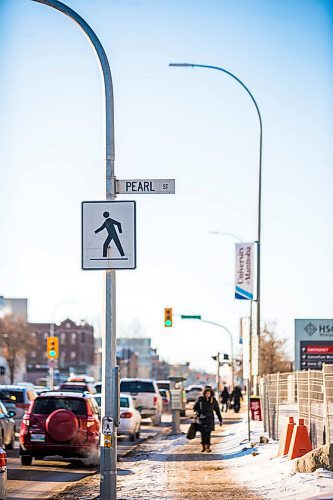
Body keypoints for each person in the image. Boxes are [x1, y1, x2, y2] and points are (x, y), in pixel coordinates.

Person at [193, 387, 222, 452]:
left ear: (211, 393)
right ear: (204, 393)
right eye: (206, 393)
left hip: (210, 419)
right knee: (203, 433)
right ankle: (203, 446)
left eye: (209, 393)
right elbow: (195, 407)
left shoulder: (213, 400)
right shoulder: (200, 399)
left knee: (208, 433)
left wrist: (220, 419)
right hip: (201, 419)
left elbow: (217, 410)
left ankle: (208, 447)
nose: (207, 394)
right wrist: (196, 413)